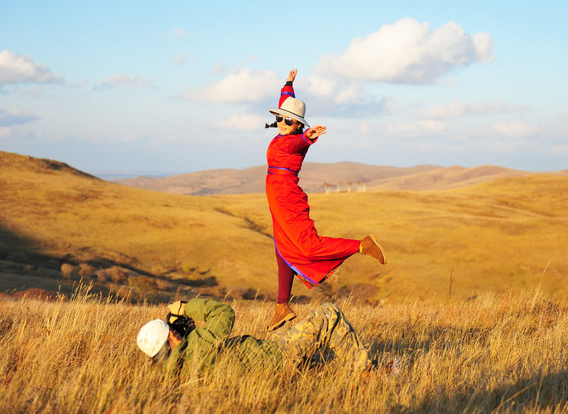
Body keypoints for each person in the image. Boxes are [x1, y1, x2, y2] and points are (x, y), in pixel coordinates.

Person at [265, 68, 386, 331]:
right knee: (282, 248)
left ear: (298, 125)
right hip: (277, 200)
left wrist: (308, 137)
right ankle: (281, 307)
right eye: (281, 119)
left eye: (289, 121)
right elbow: (285, 105)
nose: (283, 123)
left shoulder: (293, 141)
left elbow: (299, 143)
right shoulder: (283, 130)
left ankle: (361, 246)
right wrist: (288, 85)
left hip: (287, 199)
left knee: (307, 247)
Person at [136, 299, 373, 375]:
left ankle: (348, 370)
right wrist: (186, 308)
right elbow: (224, 313)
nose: (179, 330)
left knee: (323, 367)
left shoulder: (175, 370)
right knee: (329, 313)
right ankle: (365, 371)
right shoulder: (199, 345)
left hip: (264, 360)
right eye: (174, 331)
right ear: (171, 339)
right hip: (276, 357)